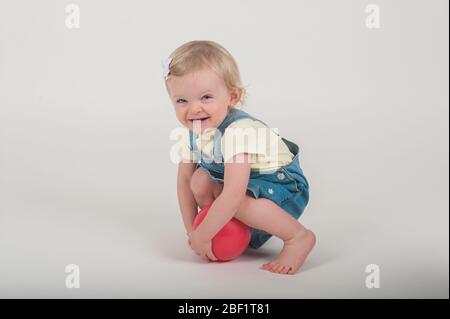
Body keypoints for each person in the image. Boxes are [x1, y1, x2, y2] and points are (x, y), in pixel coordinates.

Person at [164, 40, 315, 275]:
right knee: (199, 180)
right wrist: (193, 230)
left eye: (206, 97)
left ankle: (297, 237)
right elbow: (184, 182)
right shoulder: (193, 130)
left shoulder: (238, 131)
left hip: (281, 186)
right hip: (245, 185)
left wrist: (204, 236)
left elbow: (234, 194)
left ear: (232, 97)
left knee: (238, 202)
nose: (194, 109)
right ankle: (232, 228)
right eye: (182, 100)